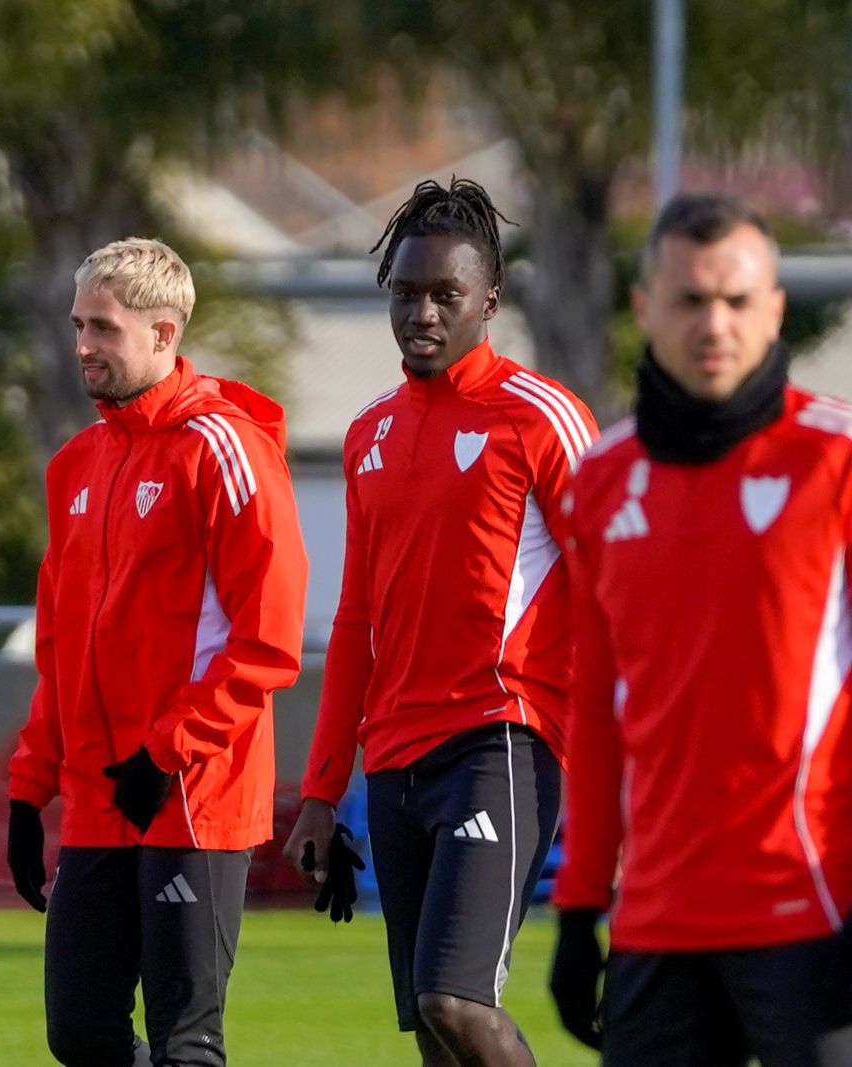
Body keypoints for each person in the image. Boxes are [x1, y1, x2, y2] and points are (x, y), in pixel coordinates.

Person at [282, 178, 598, 1067]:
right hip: (392, 762)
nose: (421, 311)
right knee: (431, 1031)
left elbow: (618, 588)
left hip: (500, 743)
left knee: (455, 998)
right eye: (406, 292)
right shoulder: (368, 434)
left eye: (444, 294)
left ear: (487, 301)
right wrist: (319, 788)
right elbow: (354, 620)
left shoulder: (540, 417)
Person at [549, 193, 852, 1066]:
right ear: (645, 307)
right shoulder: (601, 482)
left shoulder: (833, 461)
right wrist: (577, 907)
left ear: (775, 309)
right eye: (688, 299)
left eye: (736, 299)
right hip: (657, 920)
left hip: (812, 911)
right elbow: (601, 712)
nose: (713, 323)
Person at [5, 237, 308, 1067]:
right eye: (78, 325)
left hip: (194, 794)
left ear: (165, 333)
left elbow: (269, 640)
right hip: (100, 800)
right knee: (81, 1032)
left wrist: (167, 750)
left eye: (102, 328)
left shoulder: (225, 448)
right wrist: (29, 789)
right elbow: (60, 650)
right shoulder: (77, 464)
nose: (82, 347)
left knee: (187, 1042)